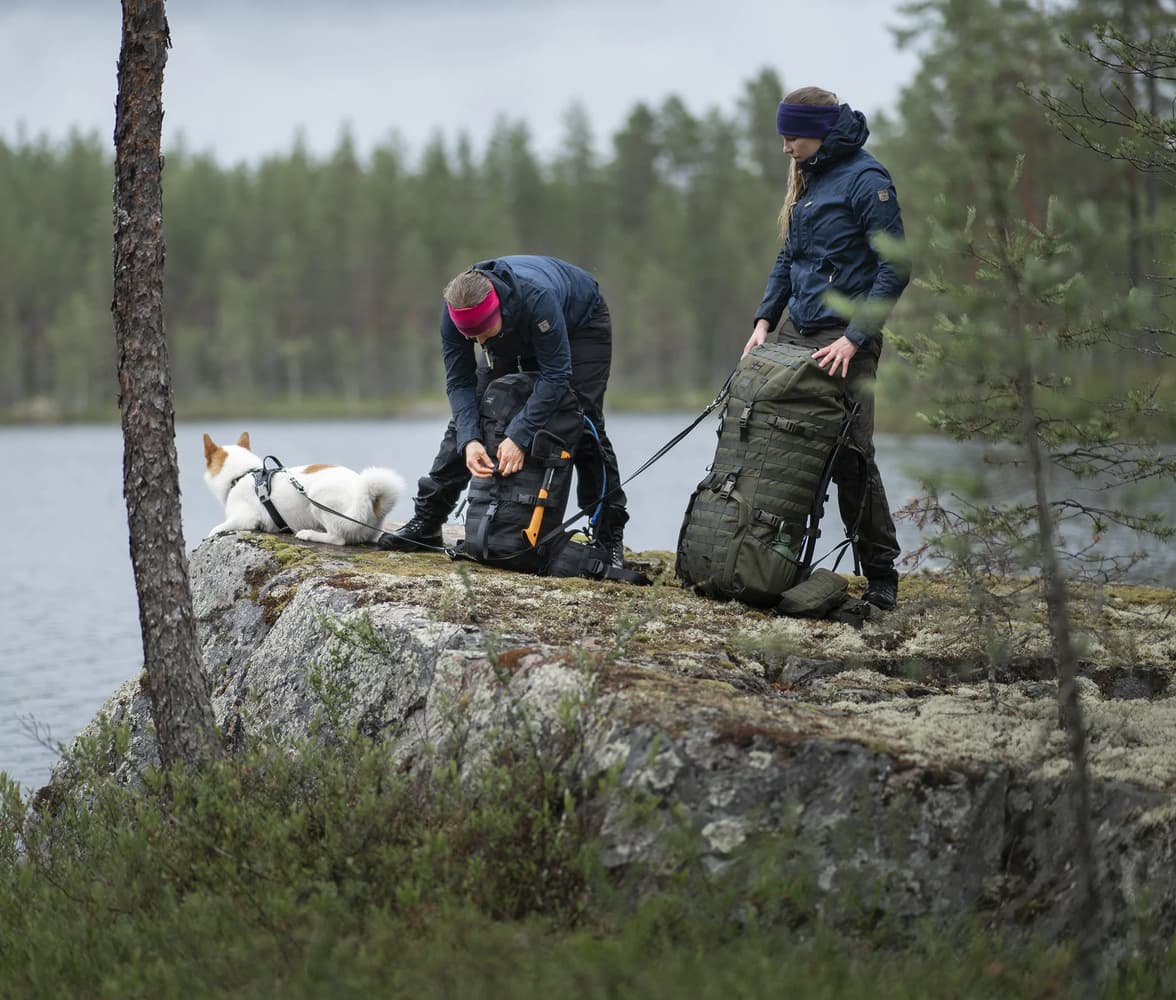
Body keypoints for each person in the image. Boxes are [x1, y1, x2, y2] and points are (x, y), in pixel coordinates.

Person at [743, 86, 911, 611]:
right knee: (781, 447)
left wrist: (855, 337)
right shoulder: (810, 179)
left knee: (852, 459)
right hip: (798, 333)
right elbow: (788, 259)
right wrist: (765, 318)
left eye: (791, 136)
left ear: (818, 131)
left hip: (847, 341)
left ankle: (881, 576)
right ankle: (777, 563)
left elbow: (896, 267)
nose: (785, 147)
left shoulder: (866, 180)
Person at [379, 254, 629, 566]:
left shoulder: (538, 299)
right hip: (515, 326)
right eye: (470, 336)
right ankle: (427, 521)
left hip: (580, 323)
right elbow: (460, 383)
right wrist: (470, 440)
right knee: (475, 415)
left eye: (483, 332)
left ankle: (609, 536)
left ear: (497, 308)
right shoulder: (455, 310)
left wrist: (520, 436)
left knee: (581, 420)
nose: (479, 342)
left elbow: (556, 375)